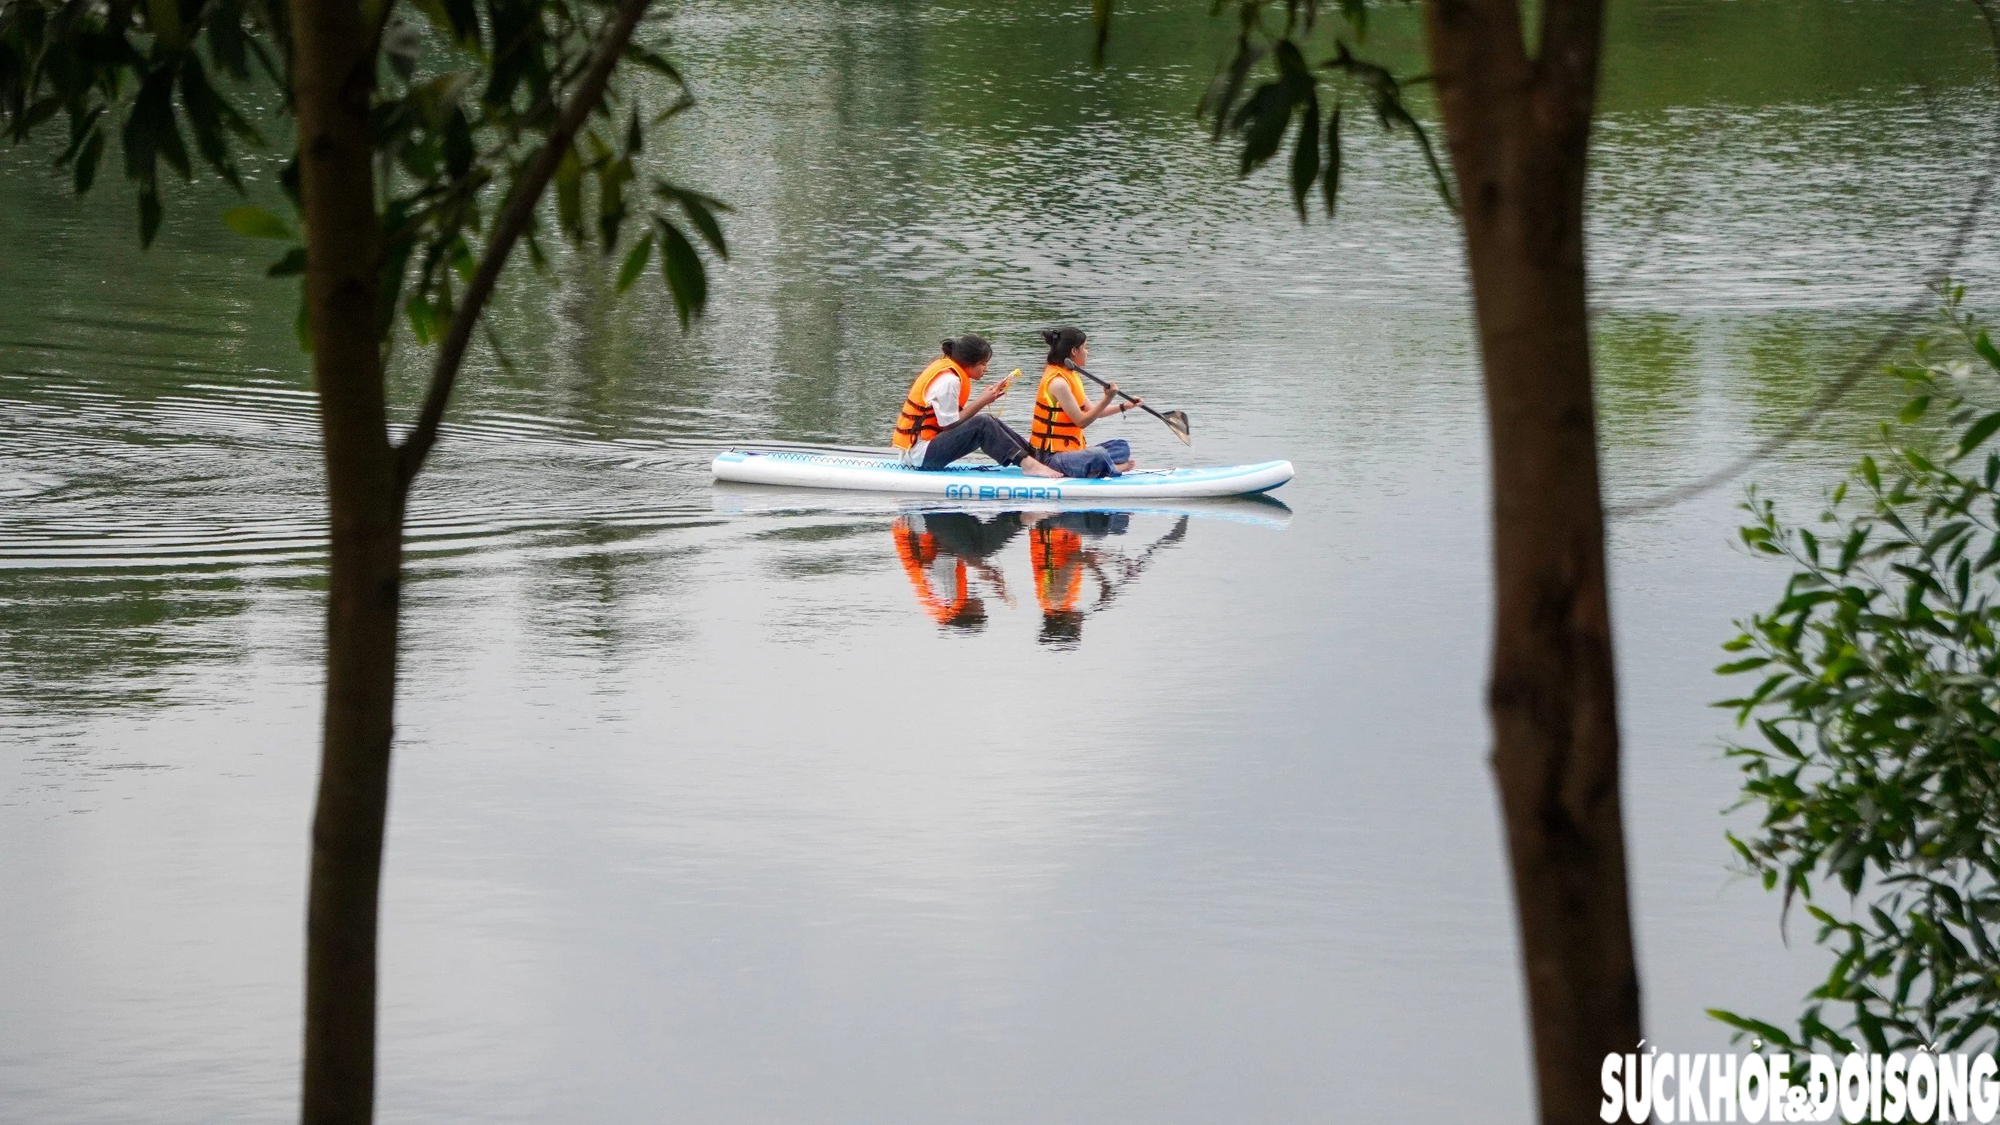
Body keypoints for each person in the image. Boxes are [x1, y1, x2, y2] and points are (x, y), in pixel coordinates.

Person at [892, 335, 1061, 476]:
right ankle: (1029, 465)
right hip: (920, 457)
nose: (985, 369)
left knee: (989, 421)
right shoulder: (949, 380)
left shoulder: (951, 372)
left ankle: (1038, 459)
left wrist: (985, 399)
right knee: (983, 423)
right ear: (969, 363)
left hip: (925, 450)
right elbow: (948, 424)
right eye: (983, 364)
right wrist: (982, 401)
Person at [1027, 327, 1140, 478]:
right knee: (1098, 455)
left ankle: (1102, 466)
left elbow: (1094, 412)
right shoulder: (1058, 382)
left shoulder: (1071, 376)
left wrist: (1124, 406)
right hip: (1051, 459)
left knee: (1121, 446)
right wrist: (1107, 399)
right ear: (1074, 351)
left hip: (1073, 452)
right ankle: (1113, 469)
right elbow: (1081, 421)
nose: (1088, 352)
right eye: (1085, 348)